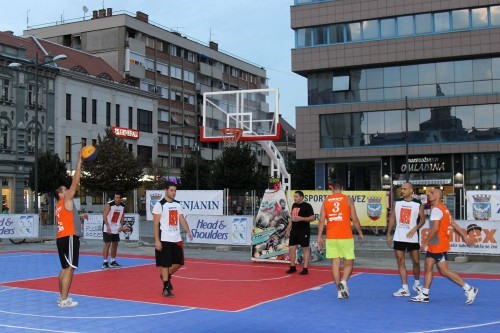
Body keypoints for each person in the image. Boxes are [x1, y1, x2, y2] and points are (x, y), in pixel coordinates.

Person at [411, 187, 478, 305]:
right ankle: (425, 294)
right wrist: (464, 236)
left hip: (438, 244)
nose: (429, 194)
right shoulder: (444, 209)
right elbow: (453, 223)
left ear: (438, 196)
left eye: (432, 193)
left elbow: (435, 229)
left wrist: (425, 241)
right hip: (436, 244)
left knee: (444, 271)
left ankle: (469, 289)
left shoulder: (436, 210)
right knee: (428, 266)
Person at [318, 180, 364, 299]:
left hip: (331, 236)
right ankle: (343, 282)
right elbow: (354, 218)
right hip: (345, 235)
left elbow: (322, 220)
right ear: (342, 188)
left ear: (331, 188)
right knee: (349, 262)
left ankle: (339, 291)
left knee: (335, 264)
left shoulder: (326, 201)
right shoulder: (347, 199)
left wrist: (319, 236)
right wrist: (360, 232)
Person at [153, 181, 193, 297]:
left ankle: (165, 276)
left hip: (176, 238)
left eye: (175, 190)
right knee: (165, 264)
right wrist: (157, 240)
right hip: (164, 238)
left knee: (178, 263)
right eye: (171, 190)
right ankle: (166, 287)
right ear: (166, 191)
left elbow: (181, 219)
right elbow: (155, 224)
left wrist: (188, 231)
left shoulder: (177, 204)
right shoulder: (159, 205)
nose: (173, 193)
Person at [54, 151, 83, 308]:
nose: (68, 190)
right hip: (69, 237)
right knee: (70, 269)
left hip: (61, 238)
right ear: (60, 194)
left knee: (64, 268)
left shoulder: (58, 207)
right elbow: (76, 181)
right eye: (64, 189)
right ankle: (64, 300)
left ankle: (61, 297)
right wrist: (79, 161)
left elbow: (68, 217)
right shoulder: (65, 199)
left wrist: (80, 217)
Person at [386, 182, 426, 297]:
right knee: (400, 260)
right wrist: (389, 233)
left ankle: (417, 283)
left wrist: (415, 229)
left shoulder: (418, 204)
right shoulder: (397, 203)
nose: (402, 191)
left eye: (405, 189)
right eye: (401, 189)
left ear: (411, 190)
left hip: (412, 237)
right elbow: (392, 217)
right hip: (399, 236)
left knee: (416, 261)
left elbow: (423, 219)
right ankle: (404, 287)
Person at [285, 190, 315, 275]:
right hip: (294, 230)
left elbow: (312, 218)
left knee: (305, 249)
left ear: (301, 197)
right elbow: (291, 218)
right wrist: (288, 229)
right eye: (294, 196)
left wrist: (301, 218)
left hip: (304, 230)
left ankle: (305, 268)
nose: (295, 198)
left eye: (296, 196)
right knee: (291, 249)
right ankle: (292, 266)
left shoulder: (307, 206)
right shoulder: (294, 205)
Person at [101, 193, 126, 269]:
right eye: (115, 197)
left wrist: (121, 226)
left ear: (121, 198)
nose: (116, 199)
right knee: (107, 244)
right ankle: (105, 262)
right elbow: (104, 215)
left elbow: (122, 216)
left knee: (115, 244)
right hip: (107, 226)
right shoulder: (109, 204)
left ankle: (113, 261)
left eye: (117, 197)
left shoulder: (122, 206)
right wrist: (108, 226)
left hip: (116, 227)